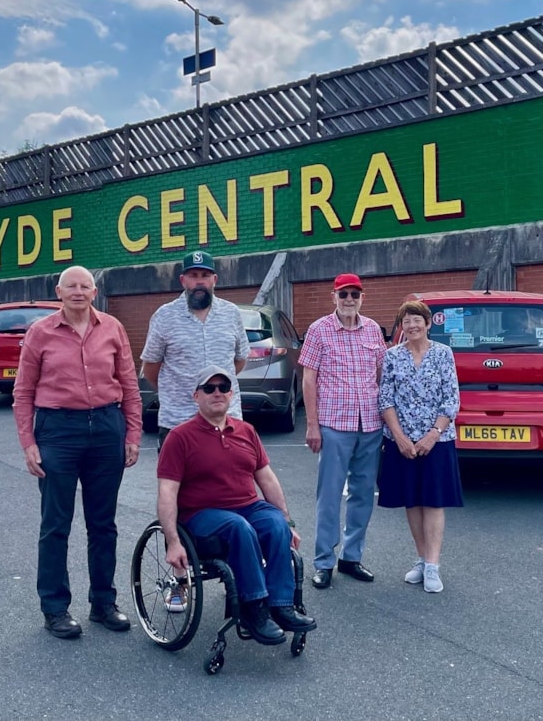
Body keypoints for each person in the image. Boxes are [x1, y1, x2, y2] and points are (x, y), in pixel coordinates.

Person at [12, 265, 142, 639]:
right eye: (71, 286)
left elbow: (129, 385)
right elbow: (23, 393)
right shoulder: (40, 333)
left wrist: (132, 433)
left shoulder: (113, 328)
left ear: (94, 292)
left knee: (103, 524)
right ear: (59, 291)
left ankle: (103, 603)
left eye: (85, 286)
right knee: (56, 524)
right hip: (58, 432)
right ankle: (55, 607)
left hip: (105, 427)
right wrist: (29, 444)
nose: (78, 292)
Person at [157, 365, 317, 645]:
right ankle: (253, 608)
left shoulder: (246, 431)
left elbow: (267, 480)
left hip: (246, 507)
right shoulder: (180, 437)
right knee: (239, 527)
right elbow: (168, 492)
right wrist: (172, 541)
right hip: (201, 516)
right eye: (209, 388)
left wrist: (288, 522)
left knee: (275, 522)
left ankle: (281, 605)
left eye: (223, 388)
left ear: (231, 394)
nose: (217, 393)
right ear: (196, 396)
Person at [299, 273, 386, 589]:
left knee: (363, 494)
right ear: (333, 296)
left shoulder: (374, 329)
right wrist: (312, 425)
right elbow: (309, 378)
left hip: (370, 425)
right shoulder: (319, 330)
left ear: (362, 298)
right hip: (335, 424)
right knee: (330, 494)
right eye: (344, 294)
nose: (349, 300)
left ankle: (351, 557)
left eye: (355, 294)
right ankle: (324, 562)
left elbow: (380, 374)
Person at [377, 300, 462, 593]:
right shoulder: (391, 357)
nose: (412, 326)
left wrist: (433, 434)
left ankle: (434, 566)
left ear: (428, 323)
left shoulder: (443, 354)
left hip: (437, 440)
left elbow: (451, 400)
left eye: (417, 320)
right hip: (402, 441)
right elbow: (385, 399)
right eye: (406, 321)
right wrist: (400, 437)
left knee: (433, 500)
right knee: (411, 500)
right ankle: (422, 559)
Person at [141, 250, 249, 448]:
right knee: (176, 480)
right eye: (193, 276)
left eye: (205, 275)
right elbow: (150, 369)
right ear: (183, 280)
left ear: (214, 279)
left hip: (226, 421)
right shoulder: (164, 317)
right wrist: (177, 391)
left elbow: (239, 361)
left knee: (228, 479)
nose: (200, 282)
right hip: (178, 422)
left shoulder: (231, 314)